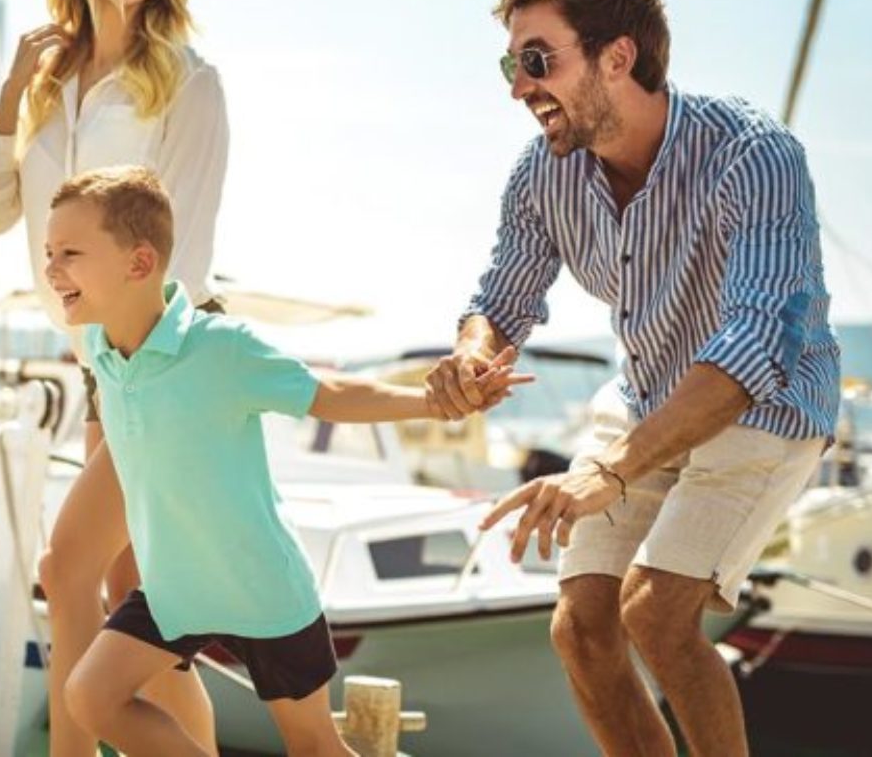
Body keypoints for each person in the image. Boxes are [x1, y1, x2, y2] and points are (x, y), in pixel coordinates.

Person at [427, 0, 840, 757]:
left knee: (654, 610)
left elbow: (753, 346)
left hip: (768, 405)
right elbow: (501, 302)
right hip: (650, 392)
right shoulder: (542, 174)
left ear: (619, 56)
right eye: (512, 63)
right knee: (581, 628)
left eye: (538, 60)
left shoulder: (753, 155)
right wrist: (473, 356)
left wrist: (609, 469)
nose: (518, 85)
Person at [47, 166, 529, 756]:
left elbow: (330, 394)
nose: (50, 270)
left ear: (139, 263)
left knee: (316, 747)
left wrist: (434, 402)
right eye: (49, 253)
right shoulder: (99, 350)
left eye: (69, 253)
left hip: (263, 591)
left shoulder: (221, 348)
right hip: (175, 590)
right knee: (90, 698)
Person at [0, 0, 228, 751]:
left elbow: (183, 256)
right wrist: (8, 96)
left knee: (74, 576)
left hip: (157, 370)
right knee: (135, 613)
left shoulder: (189, 81)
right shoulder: (45, 83)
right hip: (100, 370)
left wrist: (141, 383)